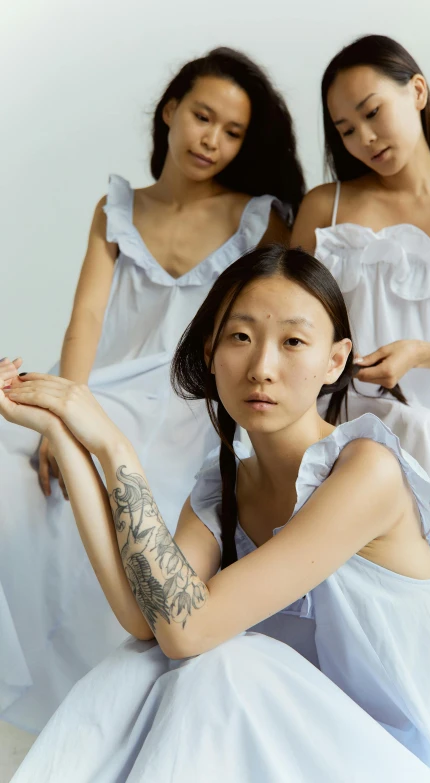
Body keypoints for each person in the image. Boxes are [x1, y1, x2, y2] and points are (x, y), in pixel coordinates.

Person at [1, 246, 430, 783]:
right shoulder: (224, 484)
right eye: (240, 337)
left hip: (401, 757)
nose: (262, 368)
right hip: (291, 744)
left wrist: (116, 447)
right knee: (140, 661)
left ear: (334, 360)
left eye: (293, 342)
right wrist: (66, 438)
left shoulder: (366, 473)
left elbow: (189, 631)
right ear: (211, 351)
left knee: (224, 662)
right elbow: (148, 619)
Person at [0, 47, 305, 731]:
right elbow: (85, 321)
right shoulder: (116, 209)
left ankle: (135, 699)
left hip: (197, 401)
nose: (212, 141)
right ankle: (57, 692)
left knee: (154, 489)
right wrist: (61, 416)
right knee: (19, 483)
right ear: (170, 110)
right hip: (108, 392)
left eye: (232, 132)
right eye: (203, 117)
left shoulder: (261, 216)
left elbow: (269, 323)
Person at [291, 33, 430, 668]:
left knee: (418, 427)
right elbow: (289, 313)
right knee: (399, 428)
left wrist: (417, 353)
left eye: (372, 111)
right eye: (345, 128)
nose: (363, 136)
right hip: (342, 418)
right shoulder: (325, 206)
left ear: (416, 91)